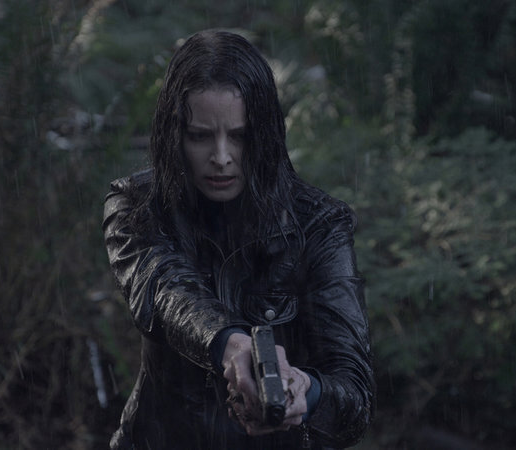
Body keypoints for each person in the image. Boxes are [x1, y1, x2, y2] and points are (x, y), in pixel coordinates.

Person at [102, 29, 374, 449]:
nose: (221, 157)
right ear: (175, 135)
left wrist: (306, 392)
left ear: (263, 135)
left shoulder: (320, 225)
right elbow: (164, 288)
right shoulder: (136, 204)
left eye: (240, 136)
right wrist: (230, 346)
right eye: (200, 136)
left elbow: (354, 395)